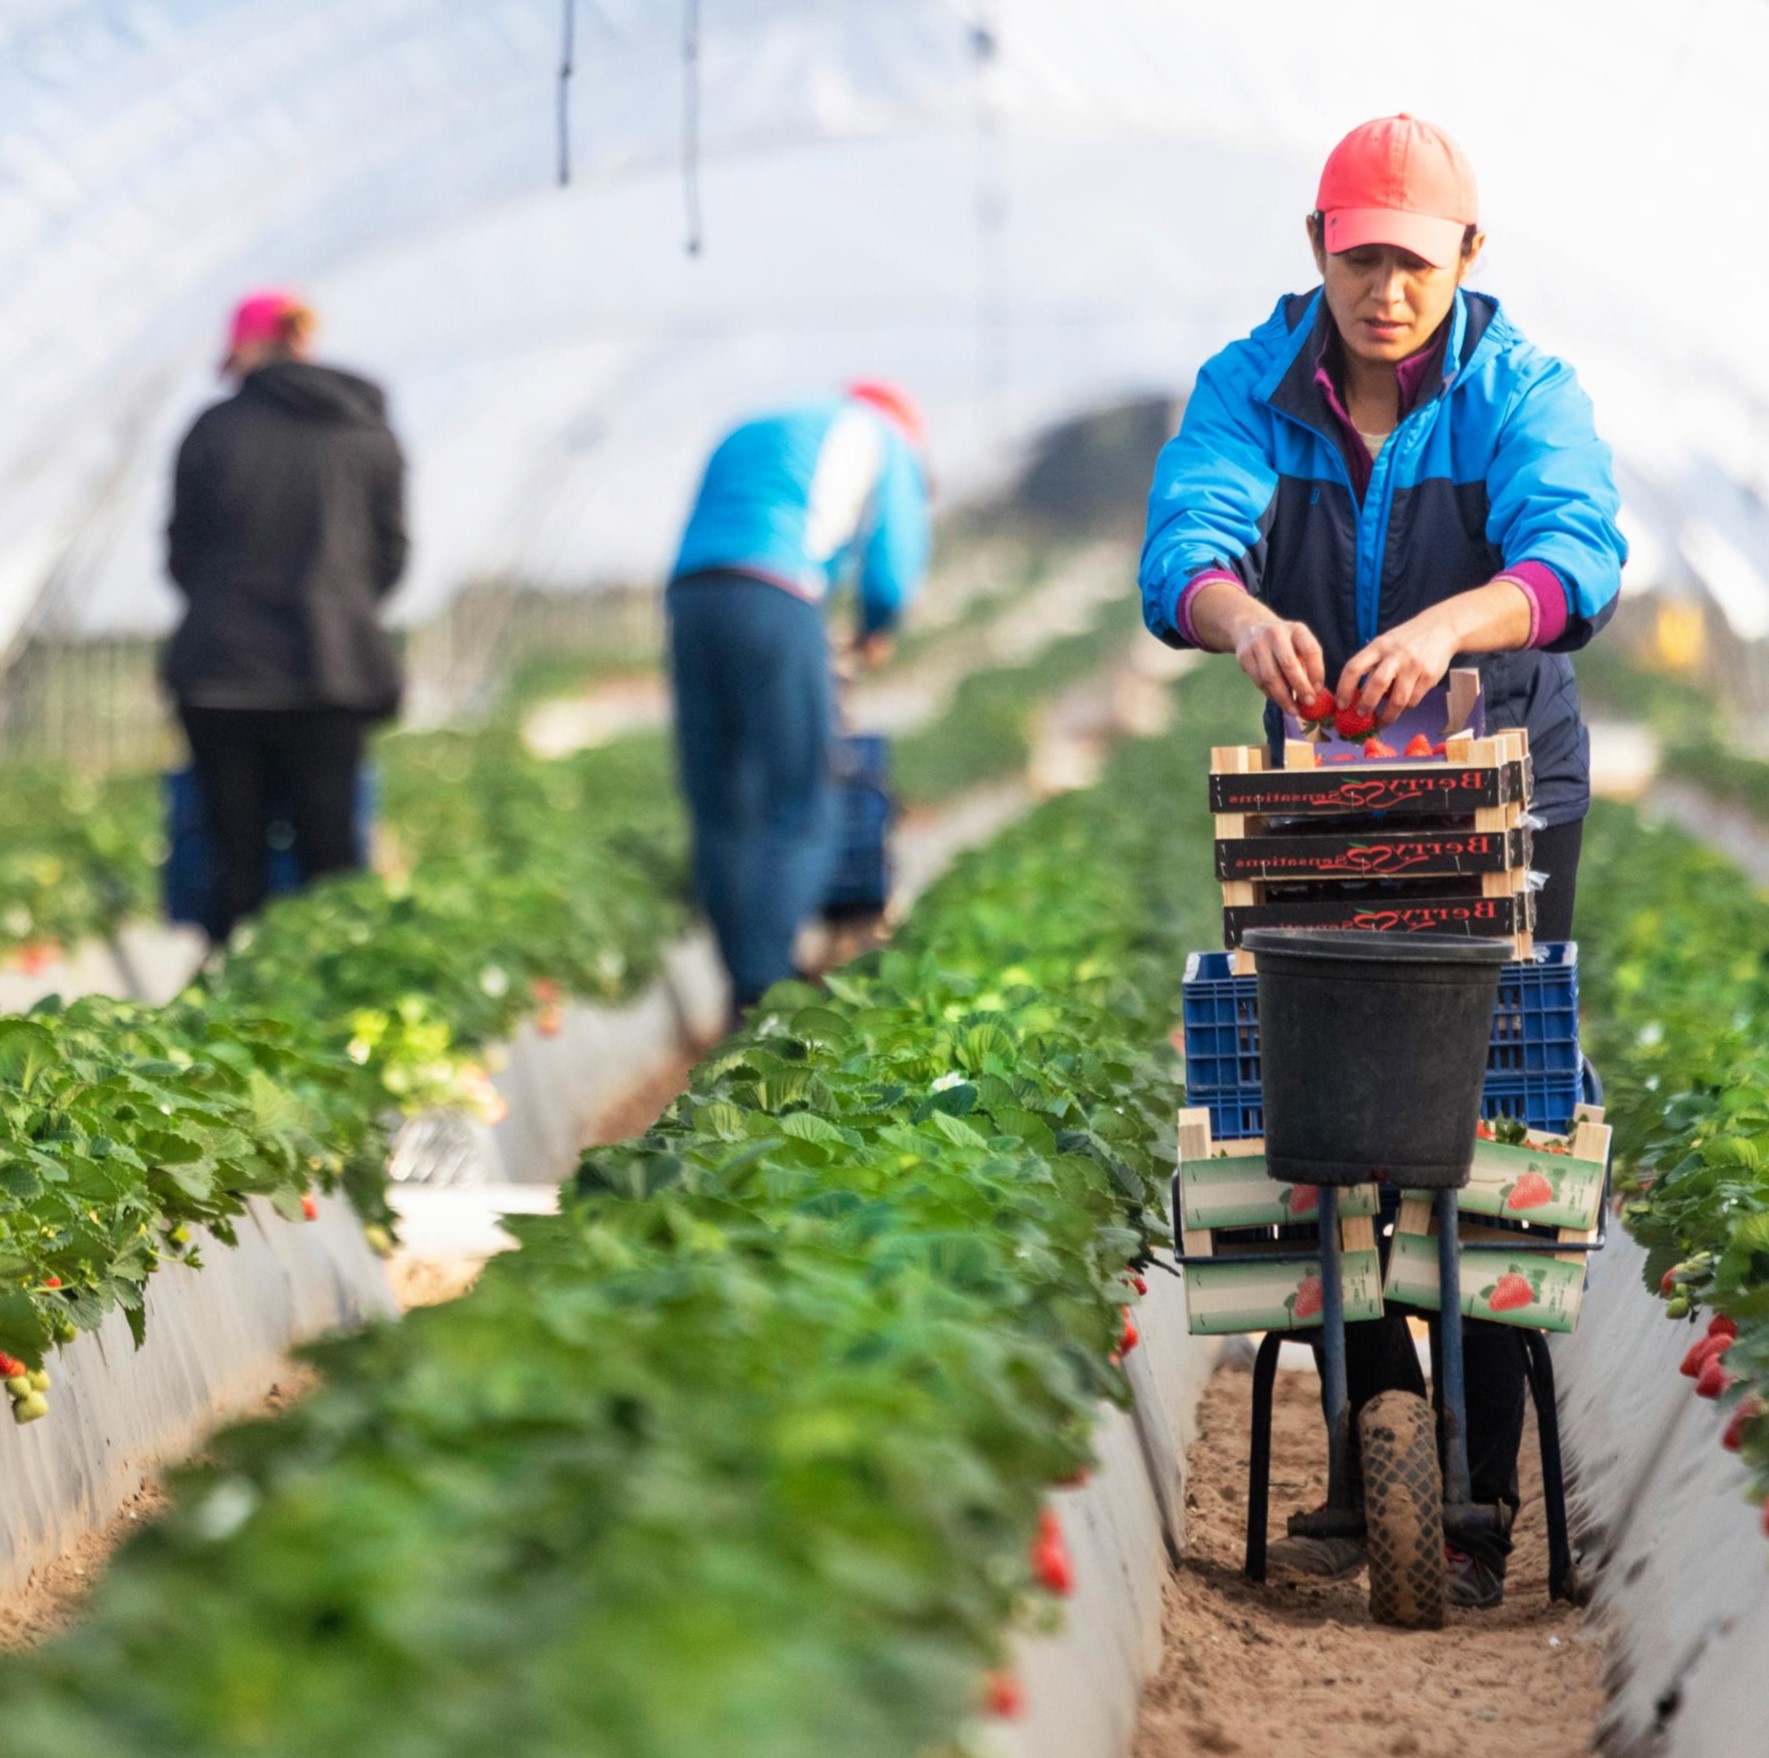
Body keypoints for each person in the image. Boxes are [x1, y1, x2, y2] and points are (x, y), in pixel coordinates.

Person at [1140, 115, 1626, 1609]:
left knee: (1484, 1109)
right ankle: (1377, 1435)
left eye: (1415, 262)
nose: (1386, 290)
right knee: (1322, 1102)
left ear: (1466, 257)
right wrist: (1242, 618)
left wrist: (1447, 626)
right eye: (1360, 258)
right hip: (1323, 794)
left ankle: (1471, 1495)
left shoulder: (1518, 391)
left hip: (1500, 784)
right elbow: (1184, 543)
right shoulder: (1250, 388)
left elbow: (1575, 554)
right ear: (1318, 249)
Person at [668, 382, 931, 1020]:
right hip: (776, 595)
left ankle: (742, 981)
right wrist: (873, 629)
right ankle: (765, 990)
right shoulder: (883, 435)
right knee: (803, 804)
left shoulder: (753, 428)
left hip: (690, 598)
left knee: (721, 807)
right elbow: (891, 568)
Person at [165, 289, 408, 942]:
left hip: (222, 675)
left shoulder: (212, 430)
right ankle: (332, 989)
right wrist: (341, 609)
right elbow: (390, 557)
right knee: (329, 855)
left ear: (247, 347)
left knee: (234, 860)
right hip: (331, 673)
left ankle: (237, 988)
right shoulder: (366, 431)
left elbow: (182, 554)